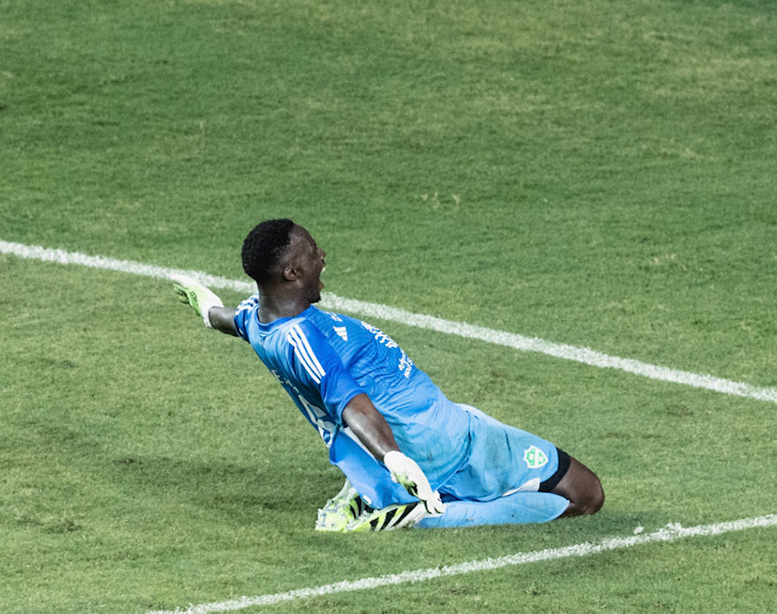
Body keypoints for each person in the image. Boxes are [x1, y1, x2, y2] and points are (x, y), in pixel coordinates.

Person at [177, 219, 604, 530]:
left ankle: (377, 492)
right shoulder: (300, 339)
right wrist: (394, 458)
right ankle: (415, 515)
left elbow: (227, 319)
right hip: (443, 441)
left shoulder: (259, 318)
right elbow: (351, 405)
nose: (322, 256)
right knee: (586, 494)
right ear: (291, 273)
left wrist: (204, 306)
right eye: (311, 253)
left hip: (439, 425)